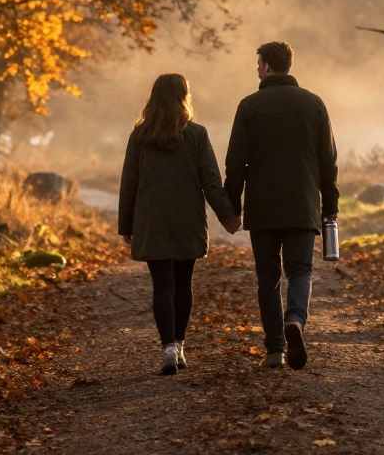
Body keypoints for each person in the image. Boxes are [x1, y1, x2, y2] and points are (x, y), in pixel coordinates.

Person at [224, 42, 338, 370]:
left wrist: (233, 206)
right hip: (302, 204)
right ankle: (296, 321)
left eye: (258, 63)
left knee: (268, 276)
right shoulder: (314, 104)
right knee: (300, 270)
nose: (256, 68)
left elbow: (236, 163)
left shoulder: (249, 106)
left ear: (268, 66)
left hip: (263, 208)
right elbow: (328, 161)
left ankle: (274, 350)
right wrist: (330, 204)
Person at [118, 74, 240, 376]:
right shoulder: (196, 134)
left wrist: (126, 224)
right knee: (183, 283)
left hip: (151, 220)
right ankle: (181, 345)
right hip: (187, 219)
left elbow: (129, 183)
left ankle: (168, 348)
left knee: (163, 285)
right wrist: (228, 216)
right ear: (184, 97)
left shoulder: (140, 135)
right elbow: (211, 181)